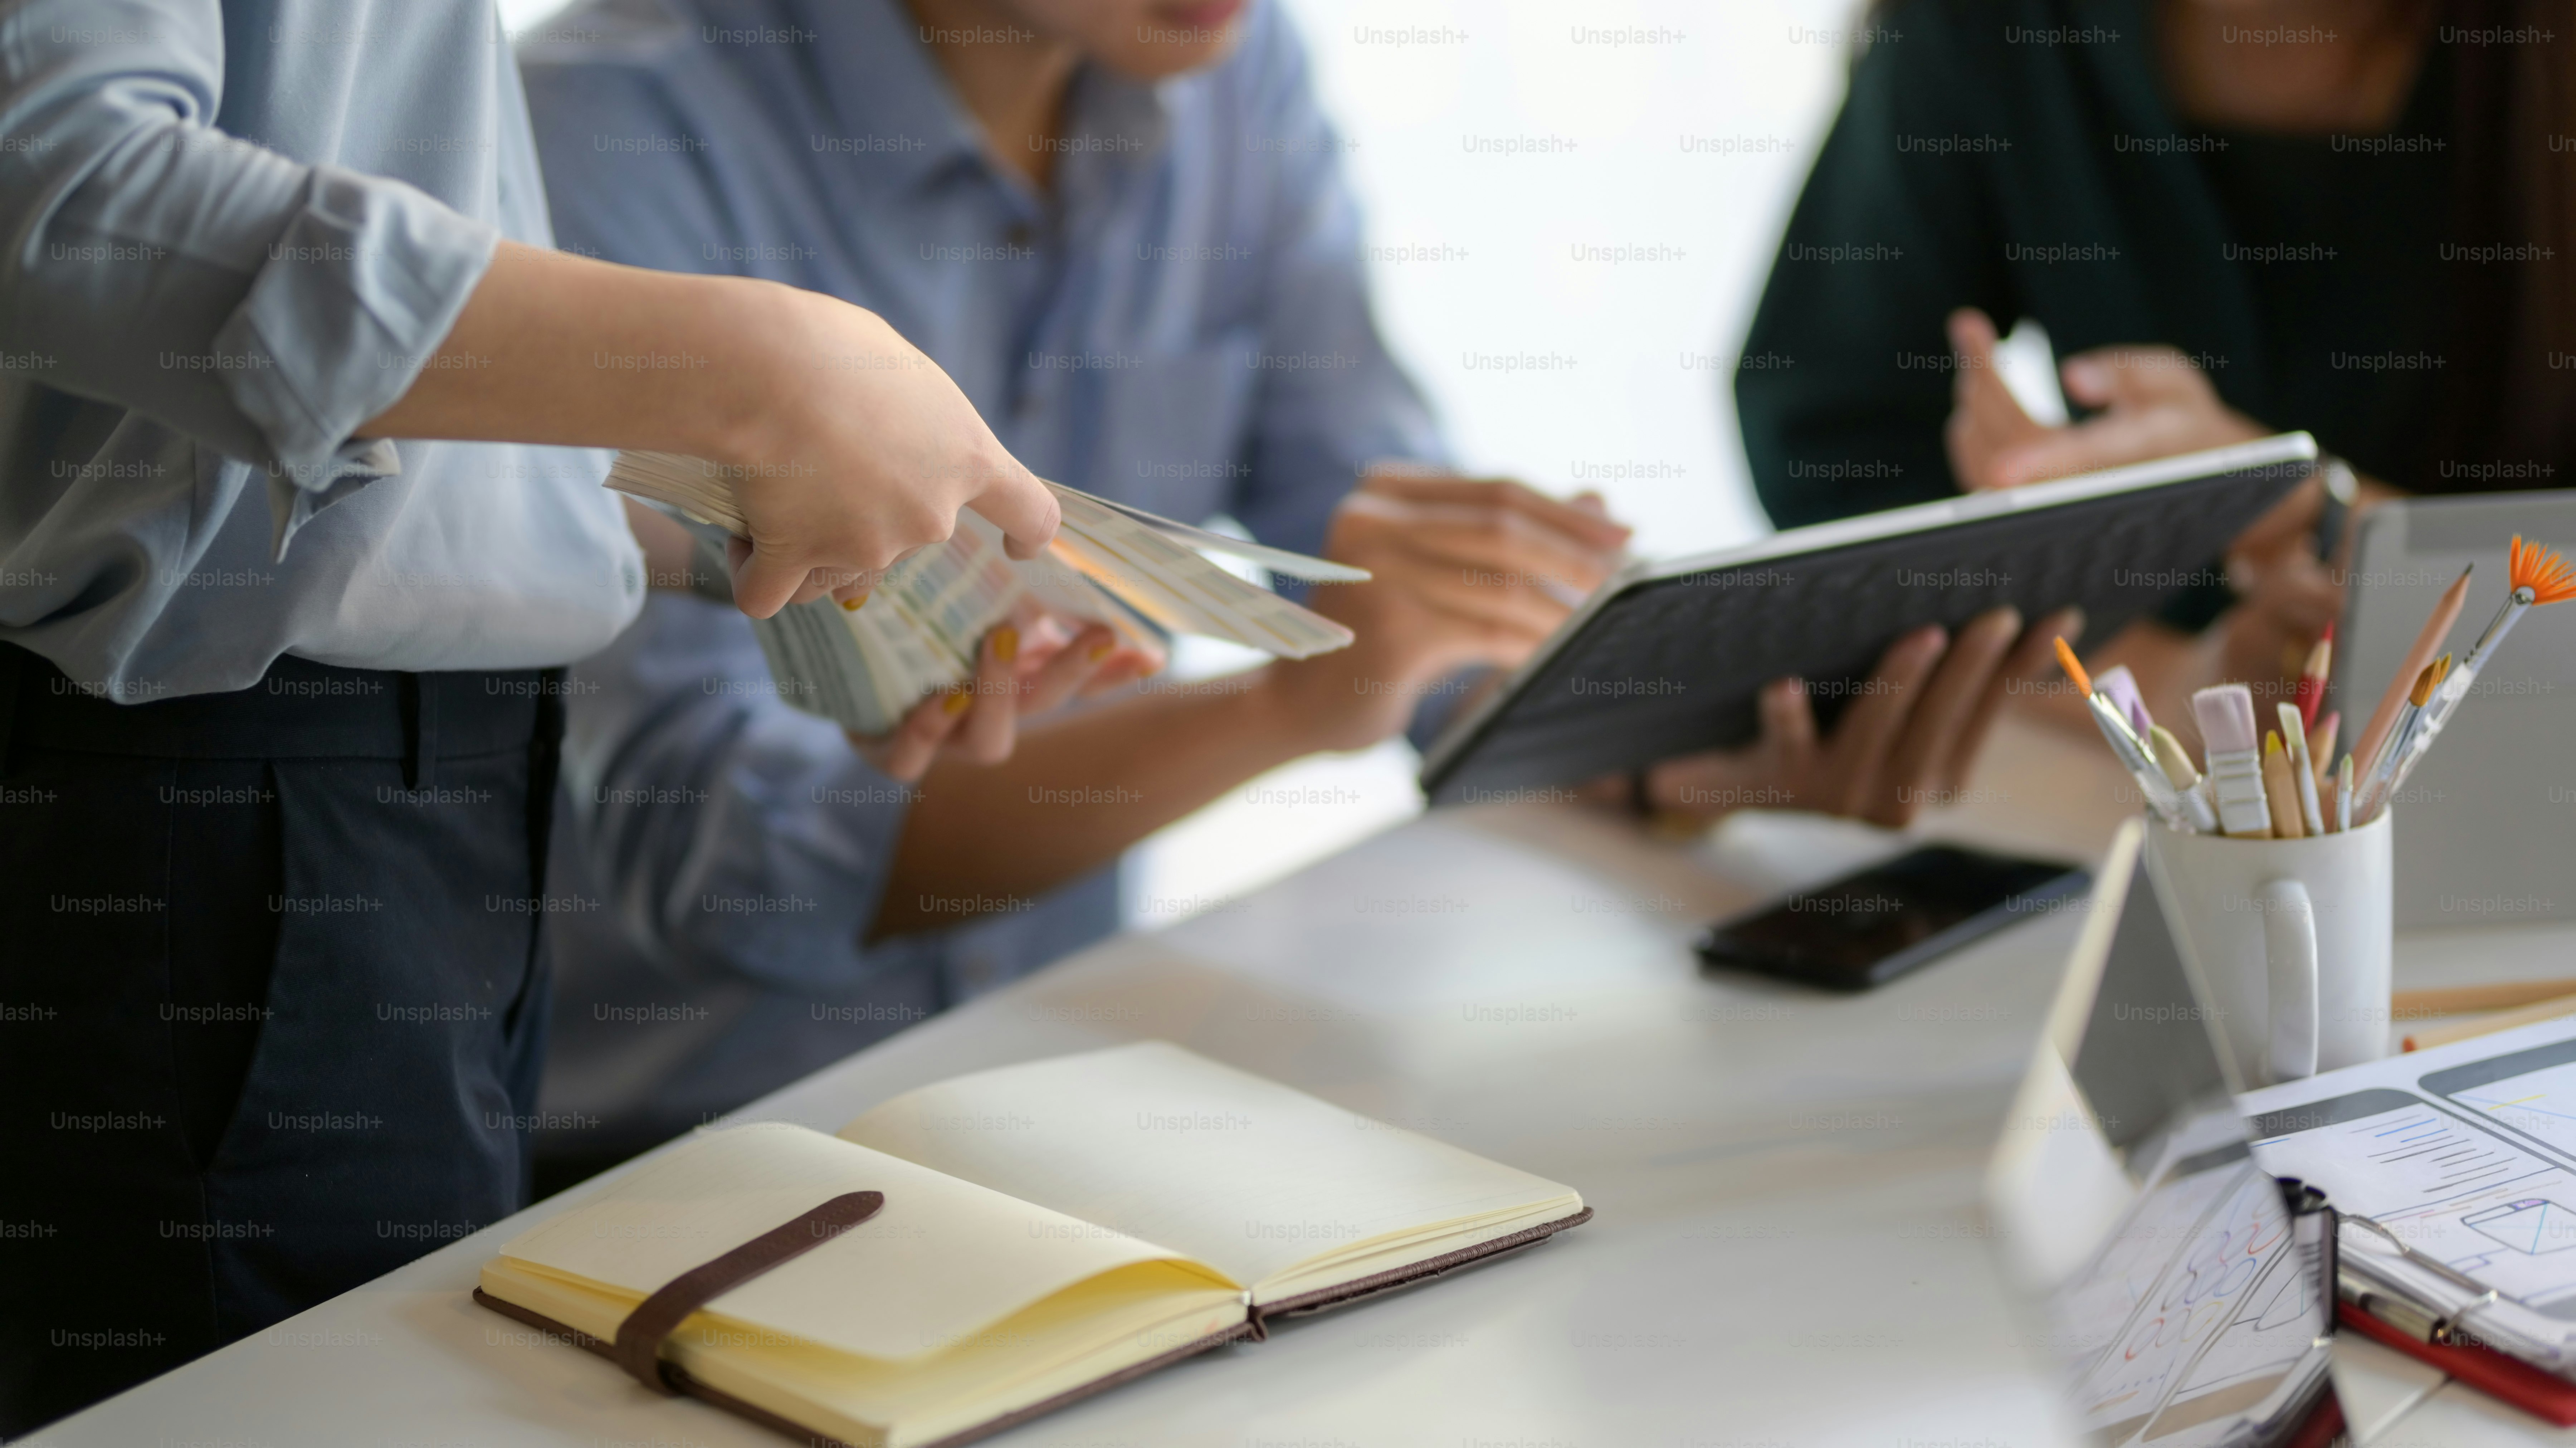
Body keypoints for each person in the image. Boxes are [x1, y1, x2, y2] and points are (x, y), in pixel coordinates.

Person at [518, 0, 2079, 1186]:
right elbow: (727, 860)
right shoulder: (605, 124)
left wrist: (1683, 743)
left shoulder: (1216, 67)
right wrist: (1294, 705)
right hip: (668, 1159)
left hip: (1041, 1103)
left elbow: (1392, 571)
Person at [0, 0, 1066, 1431]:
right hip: (229, 823)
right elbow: (54, 190)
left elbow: (339, 466)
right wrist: (747, 364)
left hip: (397, 816)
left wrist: (803, 561)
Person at [1734, 0, 2574, 734]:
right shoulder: (1979, 31)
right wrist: (2160, 684)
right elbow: (1833, 451)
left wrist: (2319, 514)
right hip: (2138, 803)